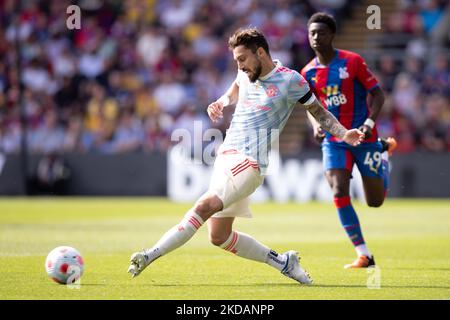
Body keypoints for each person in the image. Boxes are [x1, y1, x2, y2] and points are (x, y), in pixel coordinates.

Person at [127, 27, 364, 283]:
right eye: (236, 61)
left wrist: (343, 133)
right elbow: (234, 89)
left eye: (242, 59)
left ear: (260, 53)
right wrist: (221, 102)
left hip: (250, 164)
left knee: (202, 206)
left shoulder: (291, 81)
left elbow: (319, 113)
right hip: (226, 156)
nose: (239, 65)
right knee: (219, 236)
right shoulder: (245, 72)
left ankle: (150, 254)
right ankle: (283, 261)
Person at [301, 13, 397, 268]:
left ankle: (383, 153)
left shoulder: (352, 62)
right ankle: (364, 254)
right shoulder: (308, 72)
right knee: (338, 189)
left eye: (321, 32)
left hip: (365, 139)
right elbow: (310, 106)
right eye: (312, 33)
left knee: (374, 202)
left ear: (332, 35)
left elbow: (377, 95)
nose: (316, 37)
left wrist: (368, 124)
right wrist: (315, 125)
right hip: (334, 140)